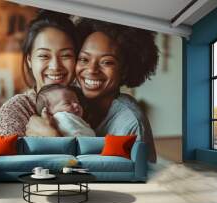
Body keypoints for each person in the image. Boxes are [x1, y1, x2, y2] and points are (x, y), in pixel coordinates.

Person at [26, 18, 158, 162]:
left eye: (107, 62)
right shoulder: (65, 99)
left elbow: (128, 177)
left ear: (125, 70)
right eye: (84, 59)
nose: (91, 70)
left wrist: (52, 137)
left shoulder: (130, 123)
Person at [0, 11, 79, 136]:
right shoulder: (16, 110)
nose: (55, 66)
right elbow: (0, 154)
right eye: (44, 55)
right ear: (29, 60)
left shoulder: (85, 104)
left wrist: (52, 137)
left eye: (66, 55)